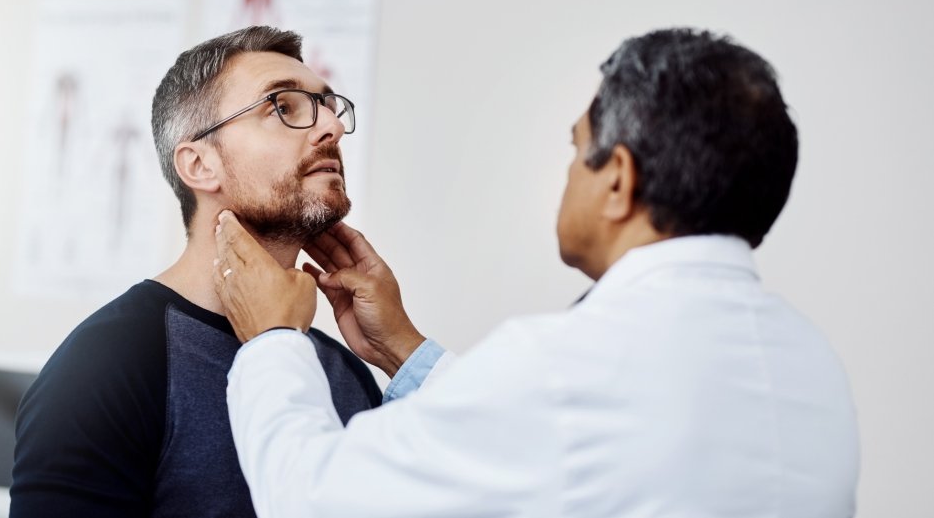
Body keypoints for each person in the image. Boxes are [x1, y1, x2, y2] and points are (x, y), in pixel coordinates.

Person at [214, 28, 860, 517]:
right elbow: (575, 446)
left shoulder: (570, 368)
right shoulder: (812, 363)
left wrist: (273, 340)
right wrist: (404, 350)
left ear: (617, 179)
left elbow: (310, 499)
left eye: (577, 149)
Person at [10, 26, 384, 518]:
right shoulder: (104, 366)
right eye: (282, 107)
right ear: (200, 165)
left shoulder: (350, 375)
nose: (331, 127)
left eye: (329, 106)